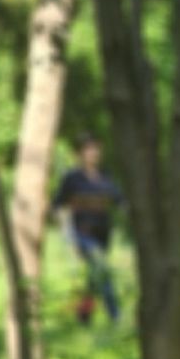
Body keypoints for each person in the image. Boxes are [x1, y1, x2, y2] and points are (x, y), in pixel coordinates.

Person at [51, 134, 124, 325]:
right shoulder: (72, 178)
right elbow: (58, 204)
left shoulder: (106, 176)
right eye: (88, 150)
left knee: (93, 277)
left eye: (96, 149)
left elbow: (119, 200)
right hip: (82, 234)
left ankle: (84, 316)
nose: (93, 153)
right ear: (80, 154)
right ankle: (115, 315)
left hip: (103, 234)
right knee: (101, 269)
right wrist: (64, 231)